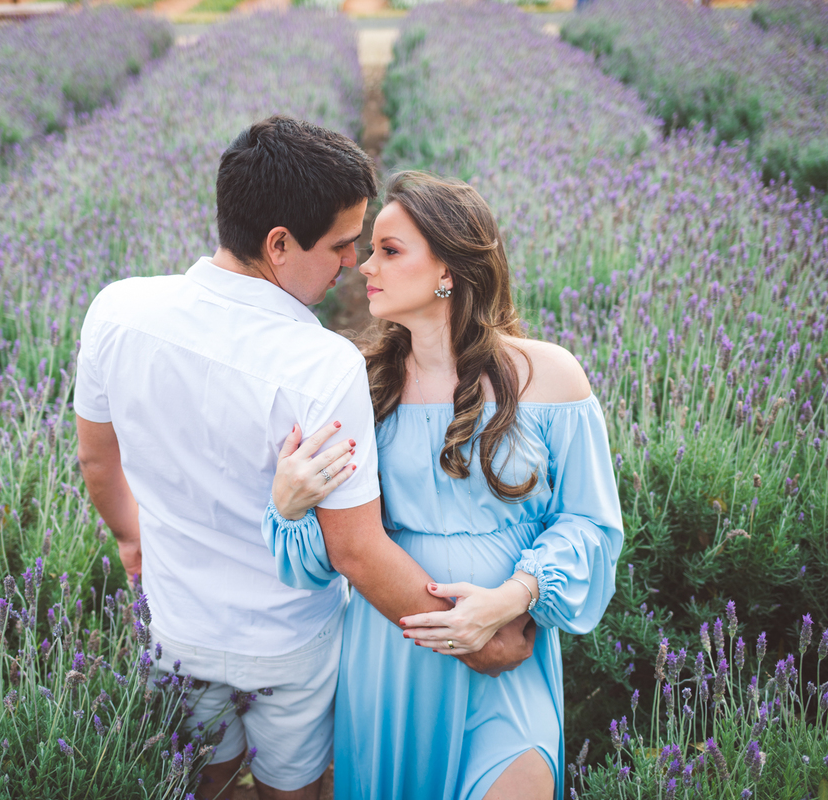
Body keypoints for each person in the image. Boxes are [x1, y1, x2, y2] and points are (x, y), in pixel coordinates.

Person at [73, 117, 534, 800]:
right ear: (279, 244)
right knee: (293, 787)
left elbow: (97, 462)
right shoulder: (322, 364)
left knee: (201, 780)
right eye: (342, 244)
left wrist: (131, 537)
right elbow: (356, 550)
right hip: (287, 646)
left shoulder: (116, 310)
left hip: (176, 628)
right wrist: (478, 641)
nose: (352, 263)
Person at [263, 171, 624, 800]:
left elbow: (592, 524)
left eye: (389, 250)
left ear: (448, 270)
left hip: (508, 652)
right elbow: (330, 556)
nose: (365, 266)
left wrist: (512, 597)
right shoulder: (359, 386)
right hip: (394, 655)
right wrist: (289, 510)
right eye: (369, 249)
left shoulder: (549, 375)